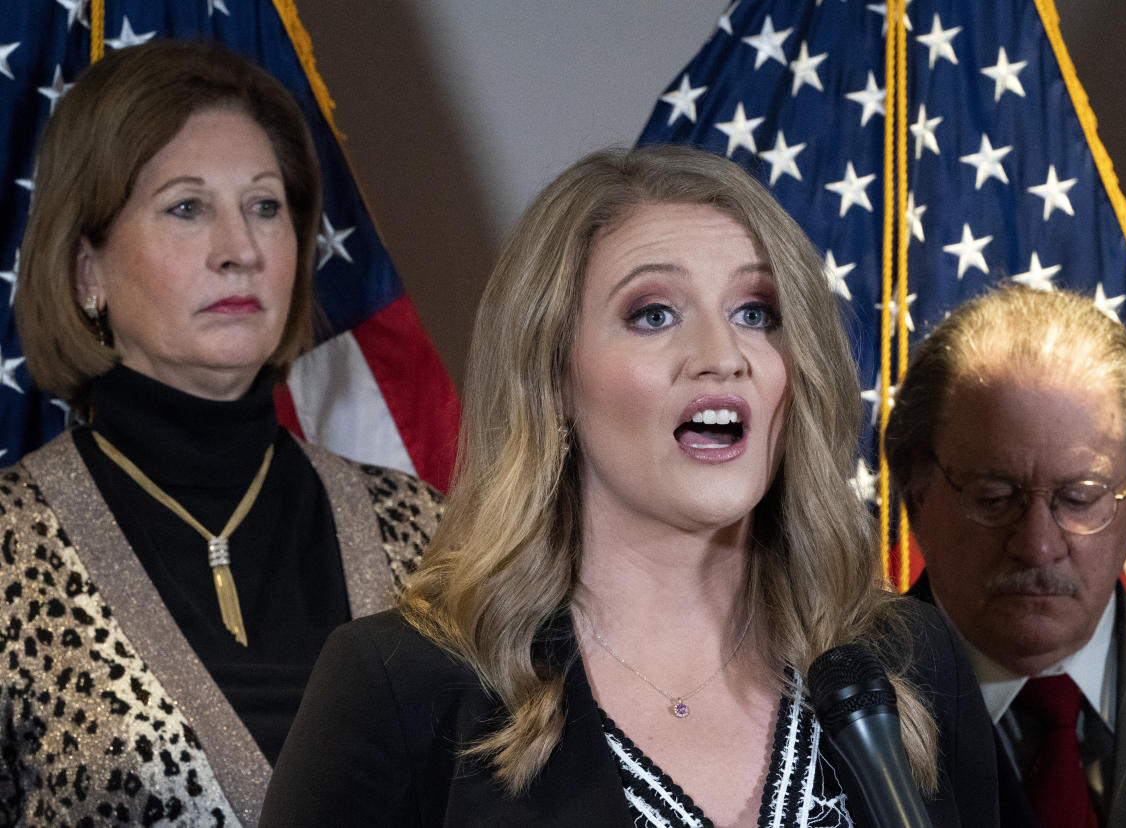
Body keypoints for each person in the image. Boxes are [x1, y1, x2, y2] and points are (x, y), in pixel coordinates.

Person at [260, 145, 999, 827]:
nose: (722, 356)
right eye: (653, 315)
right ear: (552, 379)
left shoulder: (906, 662)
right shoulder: (402, 686)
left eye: (756, 314)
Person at [0, 40, 441, 826]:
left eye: (266, 206)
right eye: (187, 207)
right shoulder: (8, 547)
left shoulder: (429, 532)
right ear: (85, 272)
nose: (240, 250)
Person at [886, 285, 1126, 828]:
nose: (1038, 545)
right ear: (916, 494)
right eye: (994, 497)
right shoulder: (812, 724)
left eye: (1080, 499)